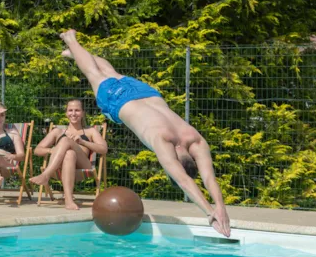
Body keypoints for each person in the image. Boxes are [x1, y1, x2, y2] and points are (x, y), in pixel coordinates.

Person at [58, 30, 231, 237]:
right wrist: (209, 212)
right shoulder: (162, 142)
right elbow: (185, 181)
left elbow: (209, 178)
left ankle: (75, 53)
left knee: (111, 72)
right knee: (94, 74)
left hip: (147, 93)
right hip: (119, 102)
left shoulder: (196, 140)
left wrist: (220, 207)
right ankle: (71, 40)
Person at [29, 99, 108, 210]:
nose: (73, 113)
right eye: (70, 110)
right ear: (66, 113)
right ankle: (69, 201)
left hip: (84, 167)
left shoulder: (90, 131)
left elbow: (104, 149)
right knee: (69, 154)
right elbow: (37, 150)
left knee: (66, 141)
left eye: (77, 110)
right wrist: (52, 151)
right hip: (60, 169)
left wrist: (83, 142)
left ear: (83, 113)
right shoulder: (58, 132)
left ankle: (46, 175)